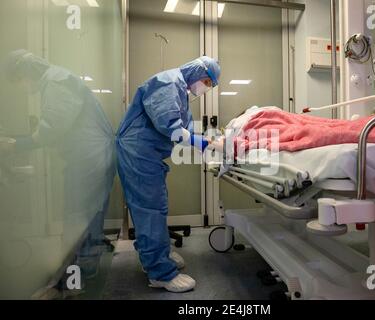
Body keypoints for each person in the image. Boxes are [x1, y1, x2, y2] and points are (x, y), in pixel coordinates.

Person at [1, 50, 116, 280]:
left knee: (77, 212)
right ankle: (88, 259)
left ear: (25, 72)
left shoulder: (56, 82)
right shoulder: (55, 80)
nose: (23, 88)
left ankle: (80, 271)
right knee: (90, 211)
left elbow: (51, 128)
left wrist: (16, 145)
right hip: (91, 155)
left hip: (88, 157)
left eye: (19, 81)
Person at [116, 56, 221, 293]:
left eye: (209, 85)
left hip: (146, 154)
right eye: (206, 81)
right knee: (151, 210)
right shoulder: (168, 82)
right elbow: (171, 127)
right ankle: (159, 273)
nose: (204, 88)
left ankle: (156, 257)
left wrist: (205, 140)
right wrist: (205, 144)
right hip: (139, 152)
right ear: (197, 72)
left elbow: (181, 128)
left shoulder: (179, 89)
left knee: (155, 207)